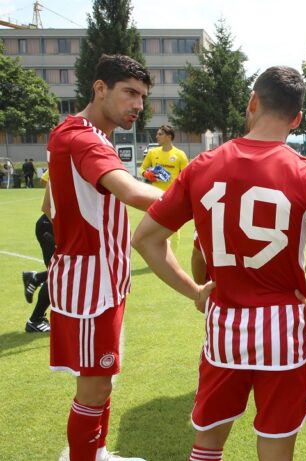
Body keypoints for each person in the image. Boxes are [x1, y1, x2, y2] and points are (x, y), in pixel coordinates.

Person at [131, 66, 306, 461]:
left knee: (207, 445)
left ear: (252, 102)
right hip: (285, 331)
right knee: (275, 446)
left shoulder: (201, 166)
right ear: (297, 119)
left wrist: (195, 291)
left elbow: (145, 239)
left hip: (225, 327)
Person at [46, 54, 161, 461]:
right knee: (93, 387)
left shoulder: (75, 133)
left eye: (142, 97)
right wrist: (200, 201)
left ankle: (97, 453)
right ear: (99, 88)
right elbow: (130, 192)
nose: (138, 105)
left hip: (103, 279)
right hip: (90, 286)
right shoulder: (85, 138)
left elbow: (49, 204)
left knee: (103, 378)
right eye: (129, 93)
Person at [139, 124, 189, 252]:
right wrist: (146, 174)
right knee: (153, 227)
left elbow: (187, 176)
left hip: (172, 197)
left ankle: (172, 256)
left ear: (169, 136)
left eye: (160, 134)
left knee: (174, 228)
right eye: (157, 134)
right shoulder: (152, 152)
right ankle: (156, 252)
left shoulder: (180, 155)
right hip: (155, 196)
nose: (157, 136)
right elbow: (142, 169)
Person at [21, 169, 55, 332]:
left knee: (65, 271)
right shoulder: (64, 163)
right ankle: (34, 320)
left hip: (53, 226)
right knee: (57, 275)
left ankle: (35, 278)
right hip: (50, 227)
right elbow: (45, 181)